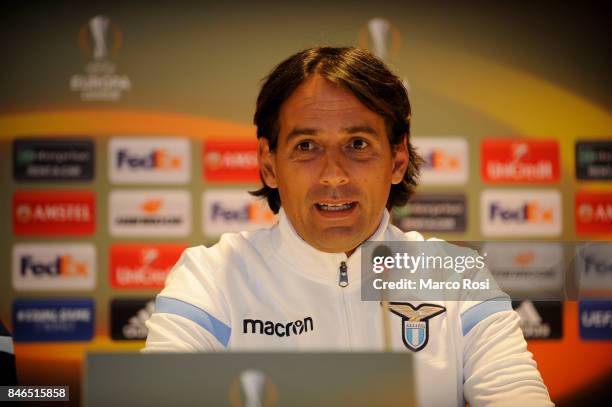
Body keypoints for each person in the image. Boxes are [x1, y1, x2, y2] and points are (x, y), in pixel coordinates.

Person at [144, 46, 553, 406]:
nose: (334, 175)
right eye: (306, 146)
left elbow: (516, 393)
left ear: (397, 159)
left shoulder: (457, 277)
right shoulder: (210, 276)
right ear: (269, 163)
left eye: (357, 144)